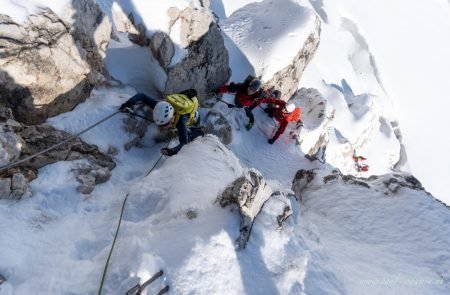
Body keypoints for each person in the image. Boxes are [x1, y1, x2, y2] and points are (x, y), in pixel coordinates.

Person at [119, 89, 203, 156]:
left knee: (191, 136)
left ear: (171, 119)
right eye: (160, 125)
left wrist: (172, 151)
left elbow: (184, 142)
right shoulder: (160, 106)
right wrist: (129, 103)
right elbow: (142, 96)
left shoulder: (181, 122)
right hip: (181, 105)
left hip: (194, 120)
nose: (162, 127)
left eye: (165, 124)